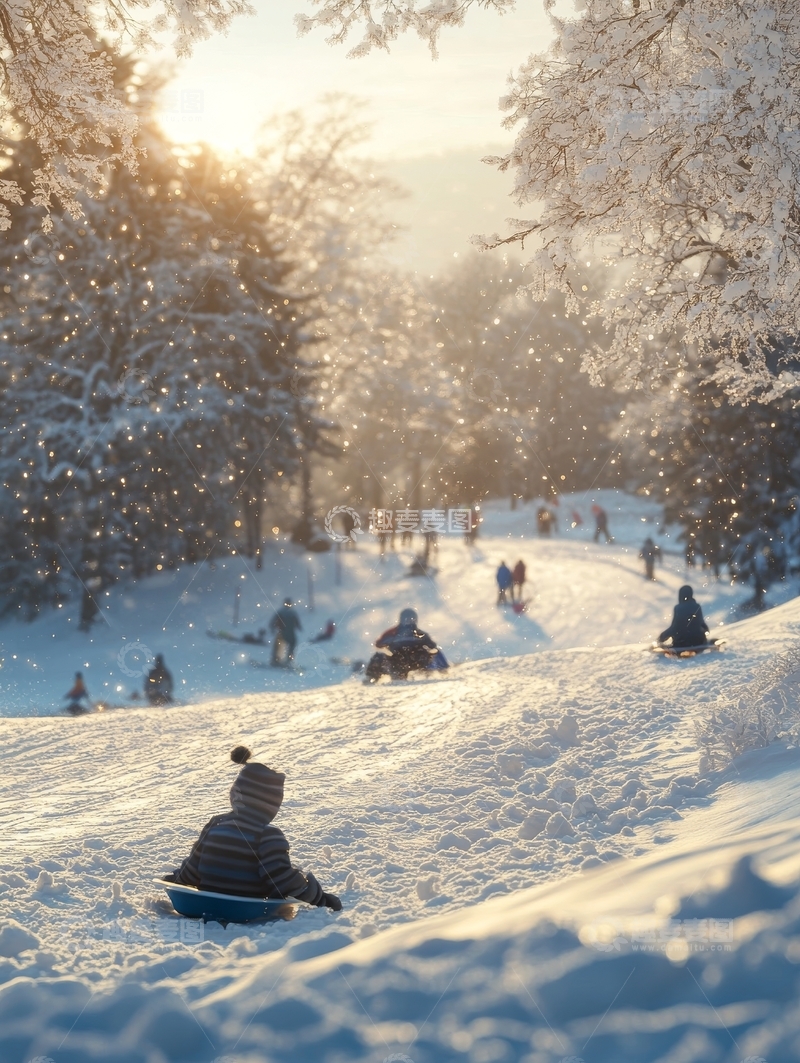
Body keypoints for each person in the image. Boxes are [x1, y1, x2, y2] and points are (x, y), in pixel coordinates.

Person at [167, 746, 341, 909]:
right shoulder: (268, 835)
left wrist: (176, 881)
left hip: (203, 904)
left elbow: (192, 867)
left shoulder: (216, 824)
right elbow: (282, 879)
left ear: (236, 795)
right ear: (272, 806)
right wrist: (320, 899)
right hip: (246, 909)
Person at [365, 608, 439, 682]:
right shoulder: (392, 632)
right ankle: (372, 679)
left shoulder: (420, 633)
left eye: (411, 618)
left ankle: (441, 672)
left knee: (435, 652)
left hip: (416, 661)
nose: (408, 620)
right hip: (398, 661)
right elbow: (379, 644)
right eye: (406, 618)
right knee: (378, 656)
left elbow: (432, 646)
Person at [270, 598, 302, 666]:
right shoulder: (293, 613)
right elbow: (297, 623)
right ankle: (289, 660)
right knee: (292, 645)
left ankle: (275, 659)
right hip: (290, 633)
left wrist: (272, 627)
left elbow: (274, 621)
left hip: (282, 632)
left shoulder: (281, 612)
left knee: (277, 645)